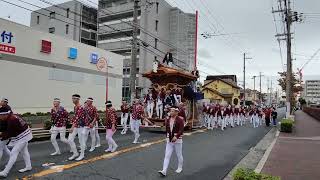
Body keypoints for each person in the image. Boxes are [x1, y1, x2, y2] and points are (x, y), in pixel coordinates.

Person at [0, 106, 32, 177]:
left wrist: (1, 136)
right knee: (24, 151)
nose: (0, 117)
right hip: (25, 133)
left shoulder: (11, 120)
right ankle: (28, 166)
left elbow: (9, 133)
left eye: (0, 115)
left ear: (4, 114)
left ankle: (5, 172)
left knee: (13, 153)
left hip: (23, 135)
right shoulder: (12, 116)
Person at [158, 106, 184, 177]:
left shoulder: (180, 120)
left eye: (172, 111)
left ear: (176, 112)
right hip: (169, 140)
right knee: (167, 155)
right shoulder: (168, 119)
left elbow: (181, 130)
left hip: (177, 140)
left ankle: (180, 167)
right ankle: (164, 171)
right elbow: (167, 129)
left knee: (179, 155)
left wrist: (176, 136)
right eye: (170, 111)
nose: (170, 112)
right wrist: (167, 137)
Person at [68, 94, 87, 161]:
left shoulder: (81, 107)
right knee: (70, 139)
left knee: (81, 141)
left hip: (80, 126)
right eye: (72, 98)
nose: (73, 100)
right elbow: (75, 117)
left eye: (74, 98)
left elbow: (77, 118)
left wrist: (72, 127)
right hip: (76, 125)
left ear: (78, 99)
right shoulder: (75, 107)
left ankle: (82, 155)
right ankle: (75, 153)